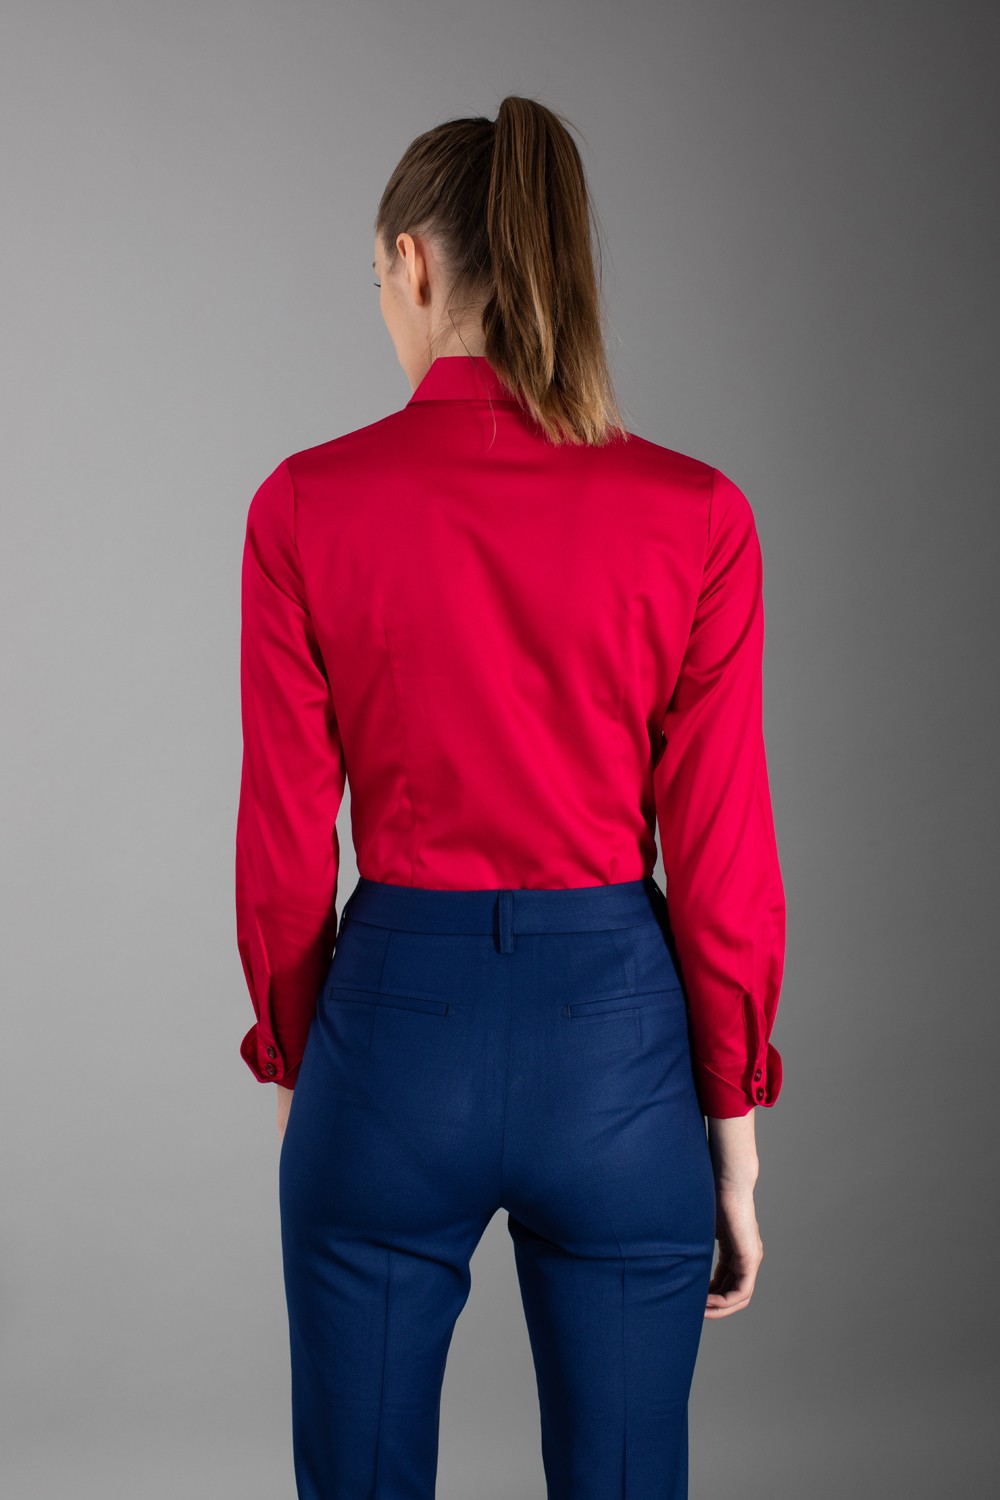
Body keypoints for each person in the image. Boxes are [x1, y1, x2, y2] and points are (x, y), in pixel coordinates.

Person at [235, 94, 786, 1500]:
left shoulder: (303, 506)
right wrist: (731, 1136)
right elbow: (722, 855)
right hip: (617, 1049)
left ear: (412, 263)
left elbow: (287, 845)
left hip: (389, 1043)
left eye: (376, 280)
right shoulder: (698, 516)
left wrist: (302, 1066)